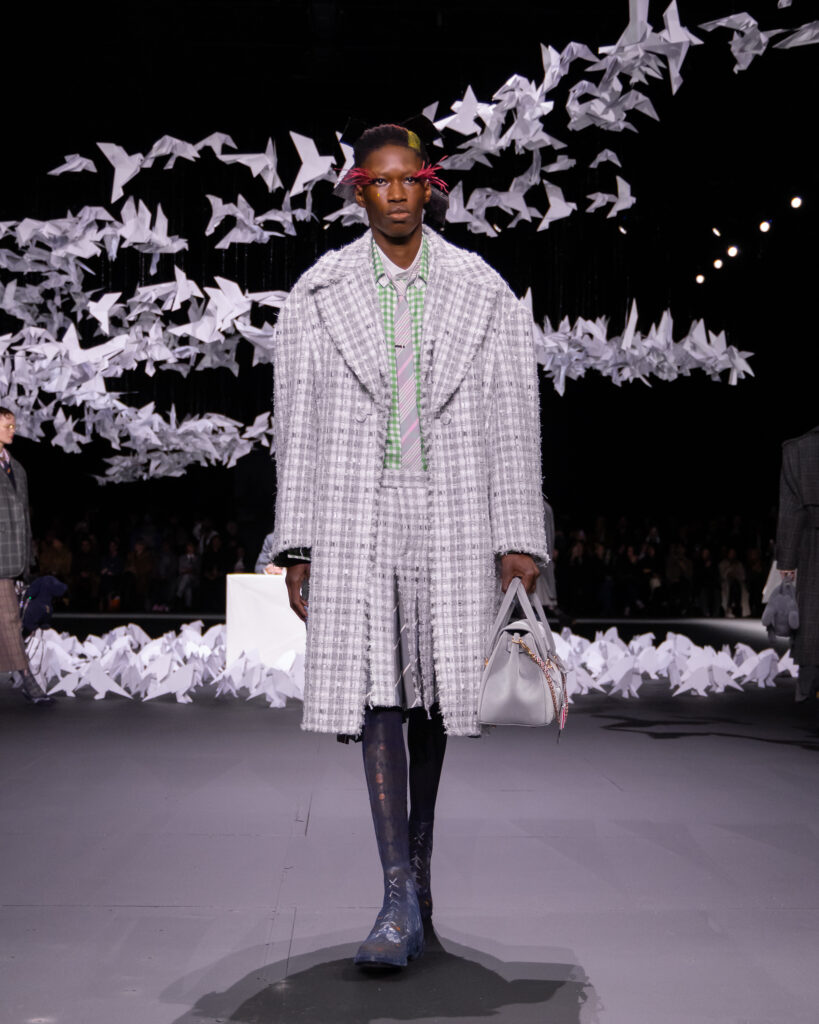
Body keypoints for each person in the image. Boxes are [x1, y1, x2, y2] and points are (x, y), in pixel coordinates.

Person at [270, 124, 547, 968]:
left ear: (430, 186)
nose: (395, 194)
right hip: (355, 509)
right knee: (377, 696)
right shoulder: (317, 294)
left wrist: (518, 537)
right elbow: (296, 426)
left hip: (456, 508)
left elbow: (513, 419)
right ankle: (396, 893)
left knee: (434, 700)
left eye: (408, 179)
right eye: (379, 182)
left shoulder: (483, 290)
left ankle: (417, 880)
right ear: (358, 190)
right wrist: (297, 542)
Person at [0, 406, 55, 705]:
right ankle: (26, 678)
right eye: (6, 425)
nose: (13, 430)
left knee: (10, 619)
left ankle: (24, 676)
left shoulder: (18, 469)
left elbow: (24, 517)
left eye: (13, 425)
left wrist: (28, 557)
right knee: (9, 619)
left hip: (11, 557)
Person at [776, 424, 819, 703]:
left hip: (814, 545)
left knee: (814, 617)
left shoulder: (798, 450)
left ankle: (810, 684)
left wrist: (787, 561)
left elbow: (791, 512)